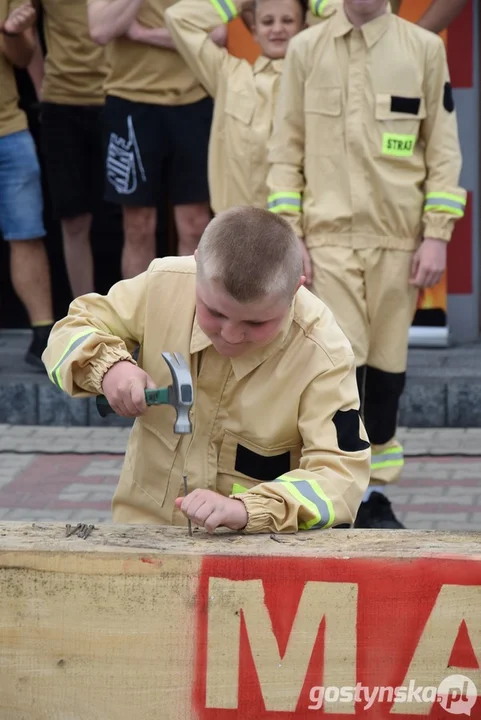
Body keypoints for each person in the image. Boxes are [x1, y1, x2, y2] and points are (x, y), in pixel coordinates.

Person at [42, 207, 370, 534]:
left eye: (256, 323)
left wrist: (247, 510)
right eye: (214, 312)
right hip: (142, 535)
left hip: (255, 551)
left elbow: (340, 476)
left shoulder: (323, 352)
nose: (230, 334)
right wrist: (109, 367)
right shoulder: (163, 285)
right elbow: (68, 332)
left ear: (296, 290)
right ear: (196, 263)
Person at [266, 0, 466, 528]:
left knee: (386, 371)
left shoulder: (423, 49)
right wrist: (291, 233)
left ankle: (374, 493)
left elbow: (443, 149)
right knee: (342, 363)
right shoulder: (306, 49)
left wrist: (436, 236)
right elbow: (285, 145)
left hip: (399, 242)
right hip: (328, 240)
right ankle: (343, 489)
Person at [86, 0, 226, 279]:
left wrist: (143, 34)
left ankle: (190, 317)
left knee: (195, 224)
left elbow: (218, 34)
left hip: (194, 100)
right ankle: (138, 319)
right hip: (130, 101)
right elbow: (101, 30)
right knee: (138, 226)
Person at [164, 0, 334, 216]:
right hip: (236, 228)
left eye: (288, 20)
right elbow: (178, 19)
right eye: (267, 21)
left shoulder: (320, 79)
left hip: (296, 228)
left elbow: (360, 13)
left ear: (305, 29)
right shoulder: (228, 75)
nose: (277, 29)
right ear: (254, 31)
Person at [27, 0, 109, 298]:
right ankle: (83, 319)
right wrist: (41, 86)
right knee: (73, 219)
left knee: (129, 218)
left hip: (119, 94)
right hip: (61, 101)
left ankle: (136, 323)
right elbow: (25, 24)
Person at [0, 0, 54, 369]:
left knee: (27, 232)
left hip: (8, 128)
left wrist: (13, 31)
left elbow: (21, 58)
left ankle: (43, 334)